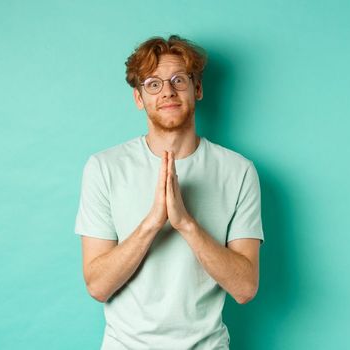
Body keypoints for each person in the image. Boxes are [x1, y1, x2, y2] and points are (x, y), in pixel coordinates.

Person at [74, 35, 264, 349]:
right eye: (153, 83)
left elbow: (245, 288)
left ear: (198, 89)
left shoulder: (239, 171)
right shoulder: (104, 167)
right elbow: (98, 286)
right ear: (139, 98)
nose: (167, 91)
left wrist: (185, 223)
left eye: (179, 80)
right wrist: (152, 222)